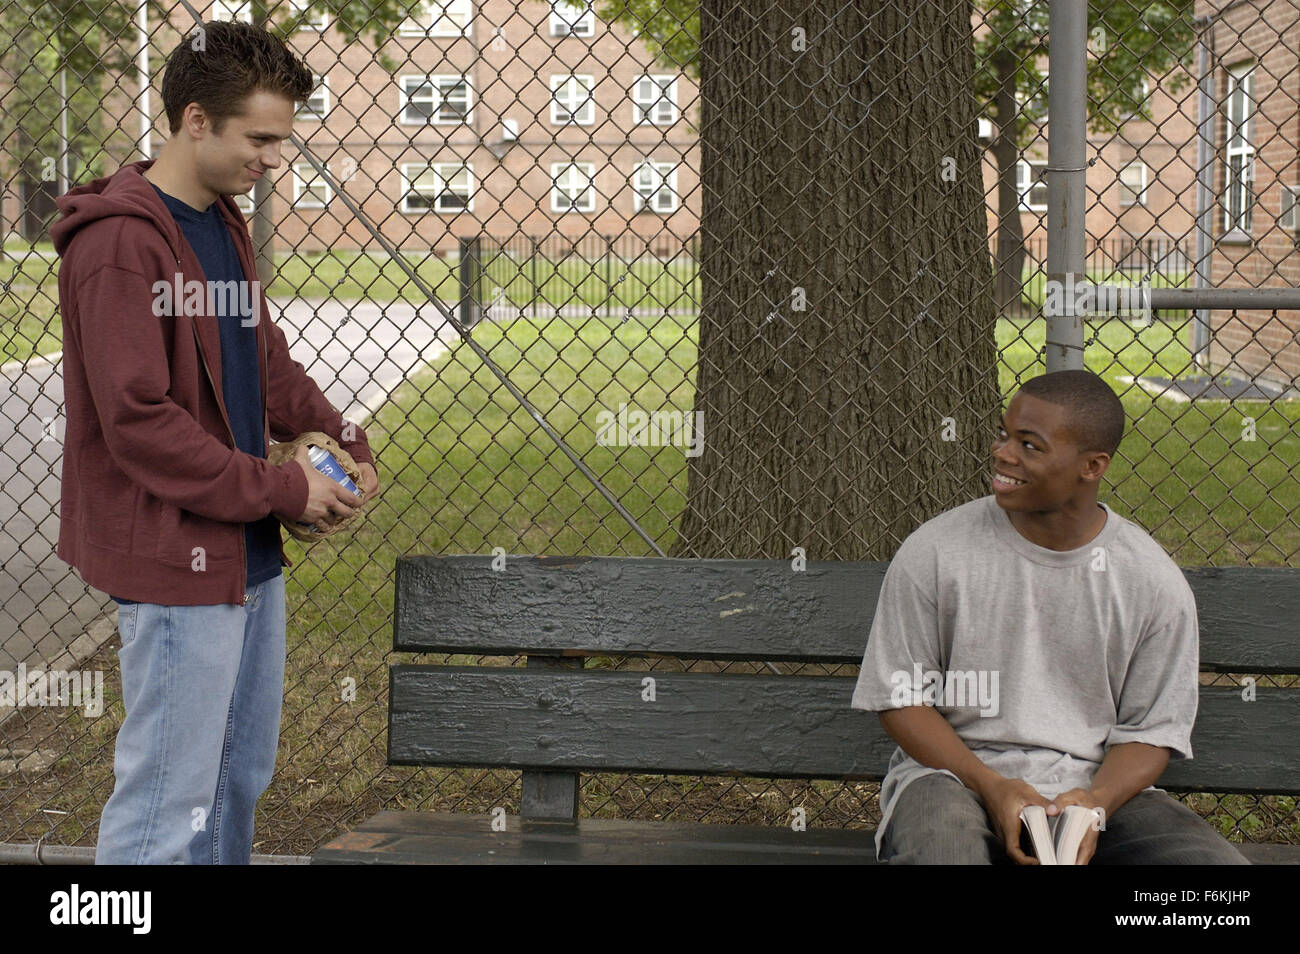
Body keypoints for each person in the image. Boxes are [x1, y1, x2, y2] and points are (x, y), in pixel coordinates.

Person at [51, 20, 380, 864]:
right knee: (167, 802)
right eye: (260, 137)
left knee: (236, 781)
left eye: (285, 139)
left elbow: (263, 361)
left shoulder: (222, 222)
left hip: (246, 556)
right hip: (176, 565)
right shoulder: (118, 242)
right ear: (196, 120)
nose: (276, 158)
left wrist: (343, 438)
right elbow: (139, 423)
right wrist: (283, 490)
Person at [850, 370, 1248, 864]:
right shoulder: (936, 551)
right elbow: (901, 701)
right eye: (1003, 434)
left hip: (1091, 792)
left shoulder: (1149, 580)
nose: (1002, 454)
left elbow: (1150, 732)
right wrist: (993, 787)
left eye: (1030, 445)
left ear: (1092, 465)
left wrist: (1095, 807)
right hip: (952, 780)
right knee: (945, 853)